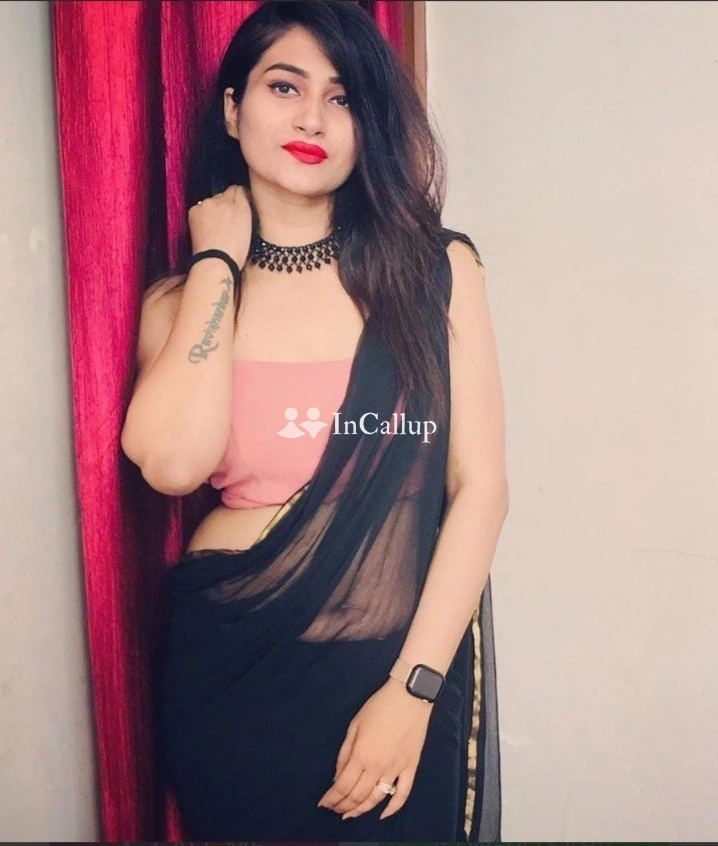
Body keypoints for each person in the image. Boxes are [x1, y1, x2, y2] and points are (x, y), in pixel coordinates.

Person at [120, 0, 508, 841]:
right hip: (235, 677)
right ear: (233, 110)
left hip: (393, 671)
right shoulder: (181, 301)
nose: (311, 119)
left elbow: (481, 489)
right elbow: (173, 466)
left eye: (342, 97)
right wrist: (218, 262)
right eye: (284, 87)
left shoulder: (434, 272)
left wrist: (412, 692)